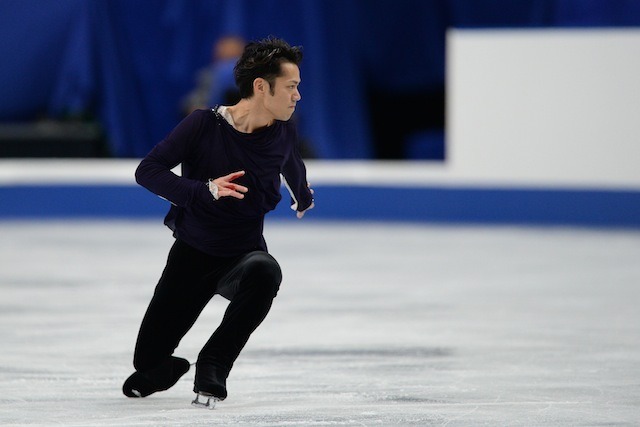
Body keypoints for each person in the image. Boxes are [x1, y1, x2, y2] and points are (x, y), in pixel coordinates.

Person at [122, 37, 315, 406]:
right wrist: (203, 190)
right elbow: (148, 171)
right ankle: (164, 368)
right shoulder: (202, 125)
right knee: (146, 361)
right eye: (291, 87)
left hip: (242, 257)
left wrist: (302, 196)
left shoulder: (285, 129)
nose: (297, 96)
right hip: (191, 255)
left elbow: (292, 164)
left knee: (266, 273)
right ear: (262, 86)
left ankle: (214, 364)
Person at [181, 35, 245, 115]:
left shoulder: (255, 79)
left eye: (233, 58)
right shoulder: (208, 76)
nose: (229, 66)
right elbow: (190, 104)